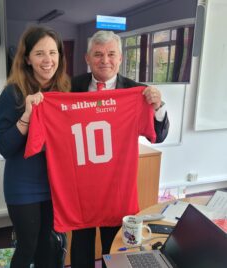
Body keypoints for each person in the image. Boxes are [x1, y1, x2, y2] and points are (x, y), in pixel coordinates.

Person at [70, 30, 169, 268]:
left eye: (111, 54)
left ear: (121, 58)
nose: (105, 60)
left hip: (115, 185)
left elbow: (159, 136)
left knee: (114, 246)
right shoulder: (70, 87)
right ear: (87, 58)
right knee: (80, 244)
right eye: (98, 54)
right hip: (80, 182)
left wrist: (158, 107)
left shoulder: (137, 92)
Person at [0, 26, 70, 268]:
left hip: (55, 184)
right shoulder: (12, 93)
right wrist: (27, 116)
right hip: (23, 186)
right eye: (39, 54)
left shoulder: (65, 92)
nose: (48, 60)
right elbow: (3, 146)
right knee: (28, 247)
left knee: (48, 244)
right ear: (27, 58)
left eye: (53, 52)